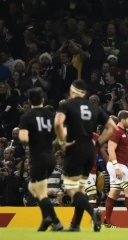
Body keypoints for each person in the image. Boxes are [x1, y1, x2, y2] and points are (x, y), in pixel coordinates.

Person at [54, 79, 116, 232]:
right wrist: (97, 143)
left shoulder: (66, 104)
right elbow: (112, 127)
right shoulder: (93, 107)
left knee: (71, 188)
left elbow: (58, 123)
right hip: (90, 149)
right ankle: (75, 225)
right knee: (80, 188)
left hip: (75, 148)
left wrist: (61, 141)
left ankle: (93, 211)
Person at [18, 87, 63, 231]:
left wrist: (30, 140)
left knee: (38, 190)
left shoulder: (27, 116)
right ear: (43, 99)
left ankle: (55, 220)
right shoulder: (50, 115)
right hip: (50, 158)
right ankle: (46, 218)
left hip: (37, 157)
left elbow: (24, 139)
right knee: (35, 188)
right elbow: (61, 136)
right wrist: (52, 144)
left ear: (29, 101)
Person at [103, 110, 128, 228]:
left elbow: (126, 151)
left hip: (121, 164)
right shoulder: (116, 132)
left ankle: (107, 222)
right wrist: (117, 168)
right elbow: (110, 149)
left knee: (114, 192)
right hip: (117, 165)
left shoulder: (123, 132)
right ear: (123, 119)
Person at [69, 132, 108, 227]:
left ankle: (73, 224)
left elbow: (103, 154)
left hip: (93, 172)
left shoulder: (96, 137)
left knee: (82, 198)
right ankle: (97, 222)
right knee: (92, 194)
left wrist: (113, 168)